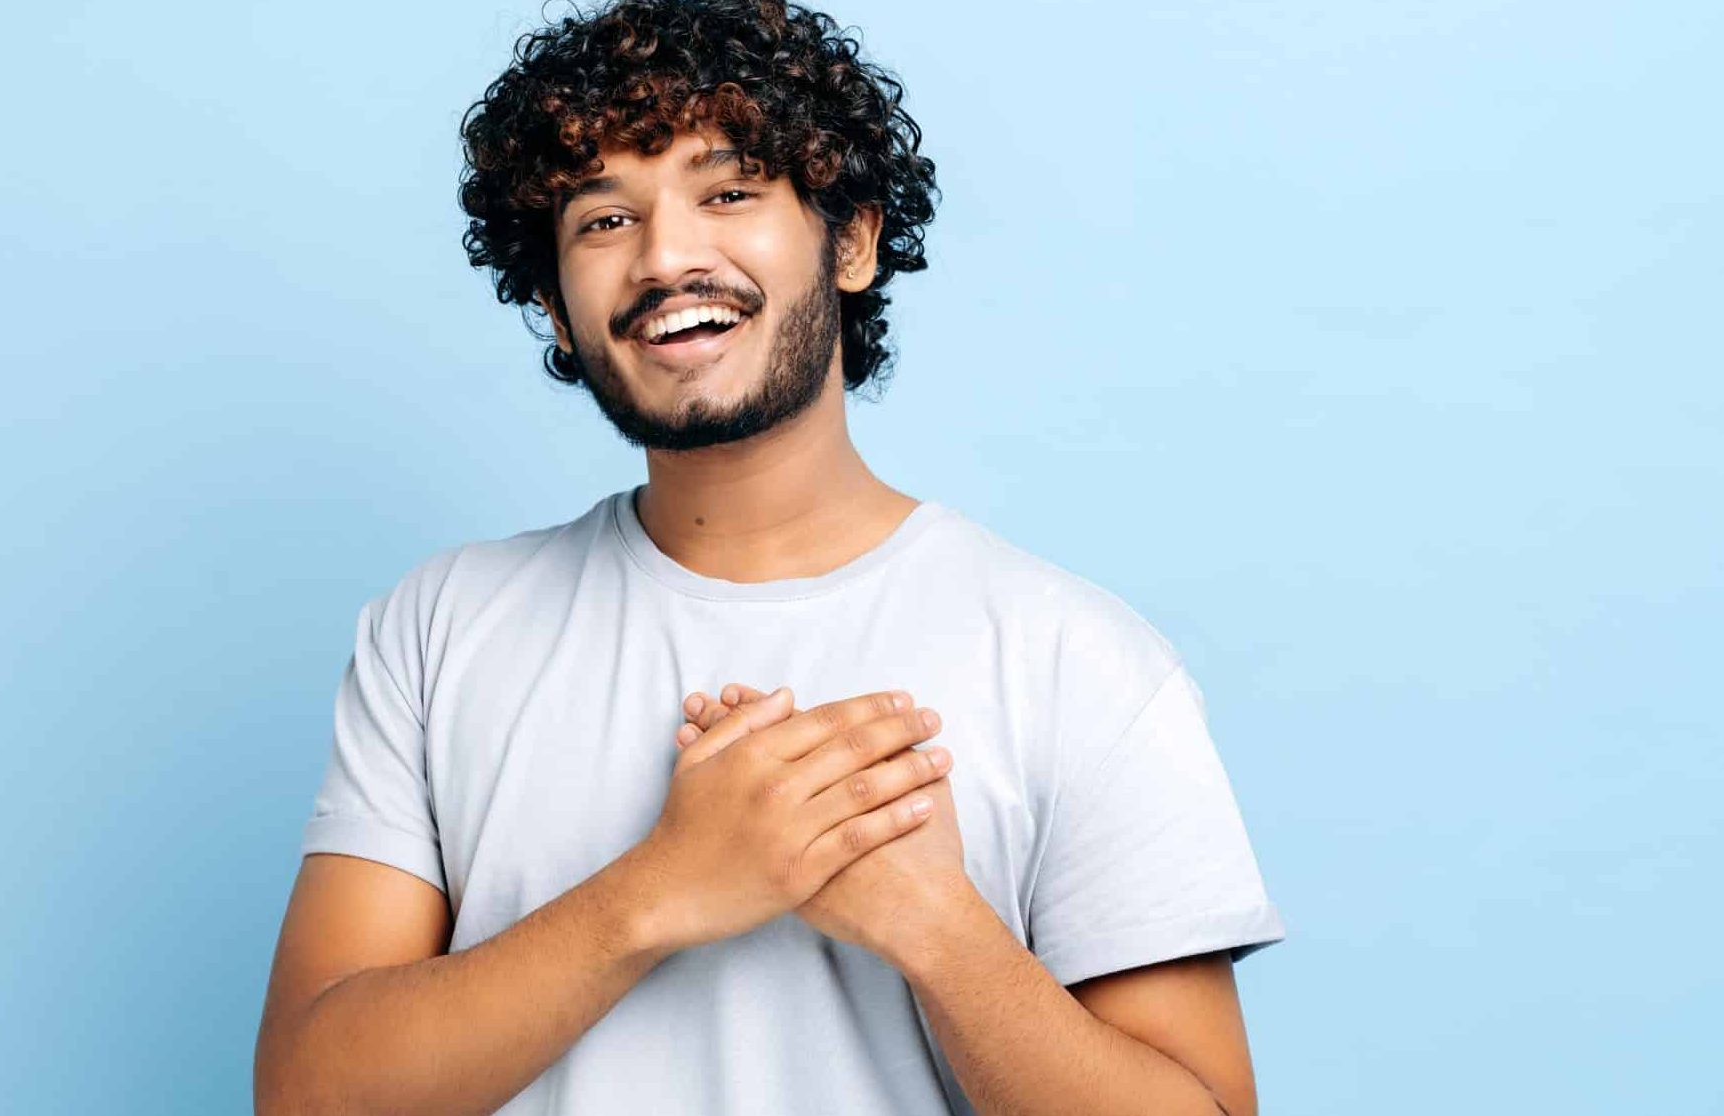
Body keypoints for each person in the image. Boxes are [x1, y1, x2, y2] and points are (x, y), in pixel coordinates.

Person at [253, 1, 1286, 1113]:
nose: (668, 257)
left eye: (730, 191)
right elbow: (311, 1095)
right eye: (604, 221)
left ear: (851, 241)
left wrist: (940, 929)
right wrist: (664, 886)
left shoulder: (1078, 658)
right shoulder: (439, 628)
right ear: (555, 307)